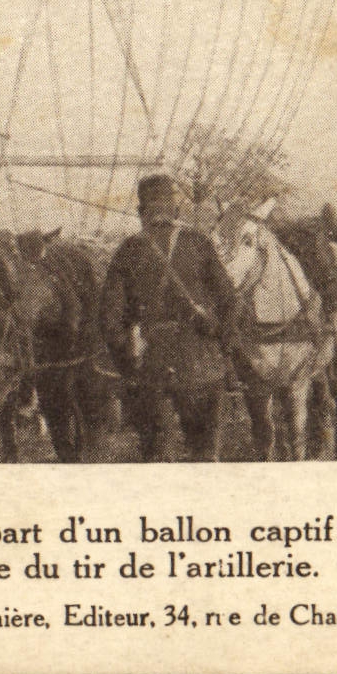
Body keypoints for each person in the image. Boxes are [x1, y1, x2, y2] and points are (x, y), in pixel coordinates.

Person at [100, 172, 240, 461]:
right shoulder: (199, 242)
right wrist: (222, 343)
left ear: (141, 213)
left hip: (151, 368)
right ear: (176, 210)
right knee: (204, 455)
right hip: (203, 364)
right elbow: (230, 300)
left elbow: (109, 320)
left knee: (156, 458)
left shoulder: (128, 250)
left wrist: (129, 368)